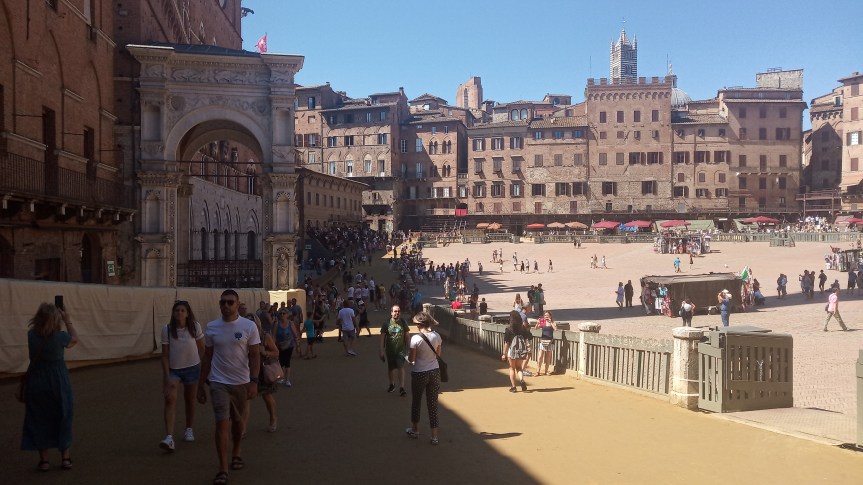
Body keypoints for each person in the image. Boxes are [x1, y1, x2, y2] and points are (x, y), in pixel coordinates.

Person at [197, 290, 261, 485]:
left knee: (238, 422)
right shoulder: (212, 327)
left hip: (241, 382)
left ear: (237, 304)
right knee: (221, 424)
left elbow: (255, 355)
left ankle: (236, 452)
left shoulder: (249, 326)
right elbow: (207, 356)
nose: (226, 306)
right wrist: (201, 384)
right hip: (218, 382)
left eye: (230, 302)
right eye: (223, 302)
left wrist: (254, 381)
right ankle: (223, 468)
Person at [21, 302, 79, 472]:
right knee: (64, 415)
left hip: (37, 380)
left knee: (39, 419)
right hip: (57, 380)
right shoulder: (60, 337)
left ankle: (44, 460)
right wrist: (67, 320)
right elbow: (74, 339)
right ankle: (65, 457)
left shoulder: (31, 335)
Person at [159, 301, 205, 452]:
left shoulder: (194, 327)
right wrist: (166, 377)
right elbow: (164, 355)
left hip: (193, 367)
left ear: (187, 313)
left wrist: (206, 373)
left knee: (190, 399)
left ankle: (189, 428)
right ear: (173, 313)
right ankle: (169, 436)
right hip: (174, 370)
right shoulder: (166, 330)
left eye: (182, 310)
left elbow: (202, 350)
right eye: (177, 310)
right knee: (170, 398)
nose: (179, 313)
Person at [405, 312, 443, 445]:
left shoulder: (415, 339)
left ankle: (415, 430)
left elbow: (412, 359)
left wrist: (407, 359)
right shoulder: (437, 336)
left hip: (419, 372)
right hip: (434, 371)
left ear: (419, 324)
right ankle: (434, 436)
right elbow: (438, 354)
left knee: (416, 402)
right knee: (432, 404)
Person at [243, 314, 279, 434]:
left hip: (263, 371)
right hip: (246, 371)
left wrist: (265, 352)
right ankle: (243, 428)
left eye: (252, 323)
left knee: (267, 396)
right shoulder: (242, 336)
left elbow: (276, 352)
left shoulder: (264, 336)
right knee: (246, 399)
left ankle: (273, 418)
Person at [380, 305, 410, 396]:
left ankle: (402, 387)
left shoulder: (403, 322)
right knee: (391, 368)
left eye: (398, 311)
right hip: (390, 350)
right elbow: (382, 338)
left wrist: (409, 349)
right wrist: (381, 350)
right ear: (391, 312)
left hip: (401, 350)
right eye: (395, 311)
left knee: (401, 367)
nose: (397, 313)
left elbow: (407, 336)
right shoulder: (386, 324)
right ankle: (392, 384)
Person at [502, 310, 532, 392]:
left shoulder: (509, 329)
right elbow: (528, 338)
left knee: (512, 368)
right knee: (519, 368)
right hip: (521, 351)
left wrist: (504, 354)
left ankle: (513, 387)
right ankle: (522, 380)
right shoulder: (522, 328)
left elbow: (507, 343)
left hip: (512, 351)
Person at [274, 308, 299, 386]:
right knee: (280, 362)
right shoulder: (277, 324)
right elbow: (274, 336)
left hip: (289, 345)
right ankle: (281, 378)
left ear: (287, 315)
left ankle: (287, 380)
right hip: (279, 346)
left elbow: (295, 335)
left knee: (287, 361)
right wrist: (273, 346)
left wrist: (298, 345)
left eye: (284, 313)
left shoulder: (290, 323)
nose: (282, 315)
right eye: (280, 313)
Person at [535, 311, 557, 375]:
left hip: (550, 341)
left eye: (547, 316)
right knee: (540, 356)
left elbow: (555, 329)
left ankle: (546, 371)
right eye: (545, 315)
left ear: (550, 316)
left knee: (548, 357)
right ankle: (538, 371)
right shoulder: (543, 322)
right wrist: (537, 323)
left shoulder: (553, 322)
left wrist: (551, 323)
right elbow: (536, 328)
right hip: (543, 340)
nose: (546, 317)